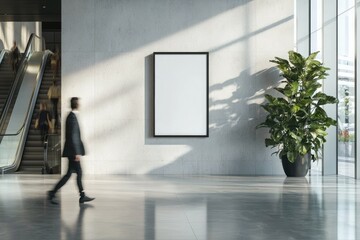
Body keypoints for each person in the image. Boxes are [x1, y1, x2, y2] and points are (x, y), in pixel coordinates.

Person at [48, 97, 94, 204]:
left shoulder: (71, 116)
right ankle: (81, 195)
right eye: (79, 103)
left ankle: (53, 192)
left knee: (69, 174)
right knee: (78, 172)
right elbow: (73, 136)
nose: (80, 105)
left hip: (71, 151)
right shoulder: (72, 117)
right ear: (77, 104)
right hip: (73, 152)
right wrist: (77, 152)